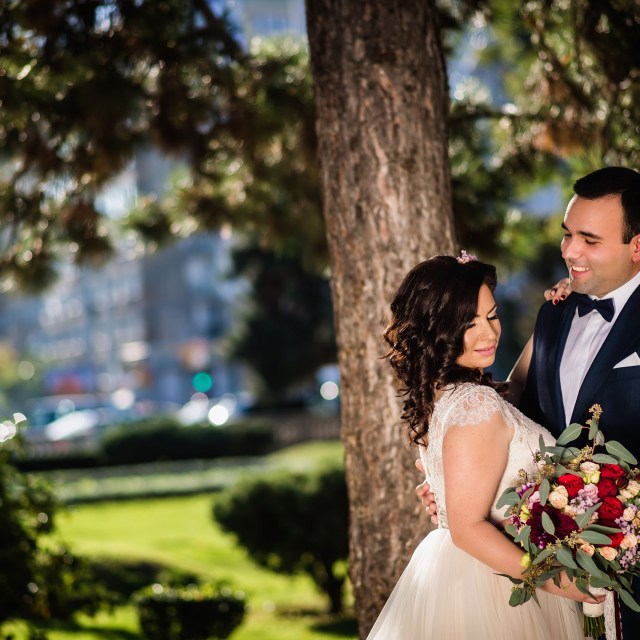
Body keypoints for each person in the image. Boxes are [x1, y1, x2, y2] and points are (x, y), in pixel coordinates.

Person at [418, 166, 640, 636]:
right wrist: (457, 483)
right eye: (568, 234)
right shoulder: (554, 315)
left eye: (589, 240)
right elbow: (512, 413)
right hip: (550, 578)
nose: (570, 251)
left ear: (636, 245)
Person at [367, 254, 598, 640]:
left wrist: (551, 318)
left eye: (492, 316)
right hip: (497, 583)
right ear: (437, 328)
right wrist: (565, 583)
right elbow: (469, 529)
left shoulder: (451, 393)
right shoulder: (476, 403)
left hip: (467, 572)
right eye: (468, 324)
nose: (488, 334)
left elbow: (516, 389)